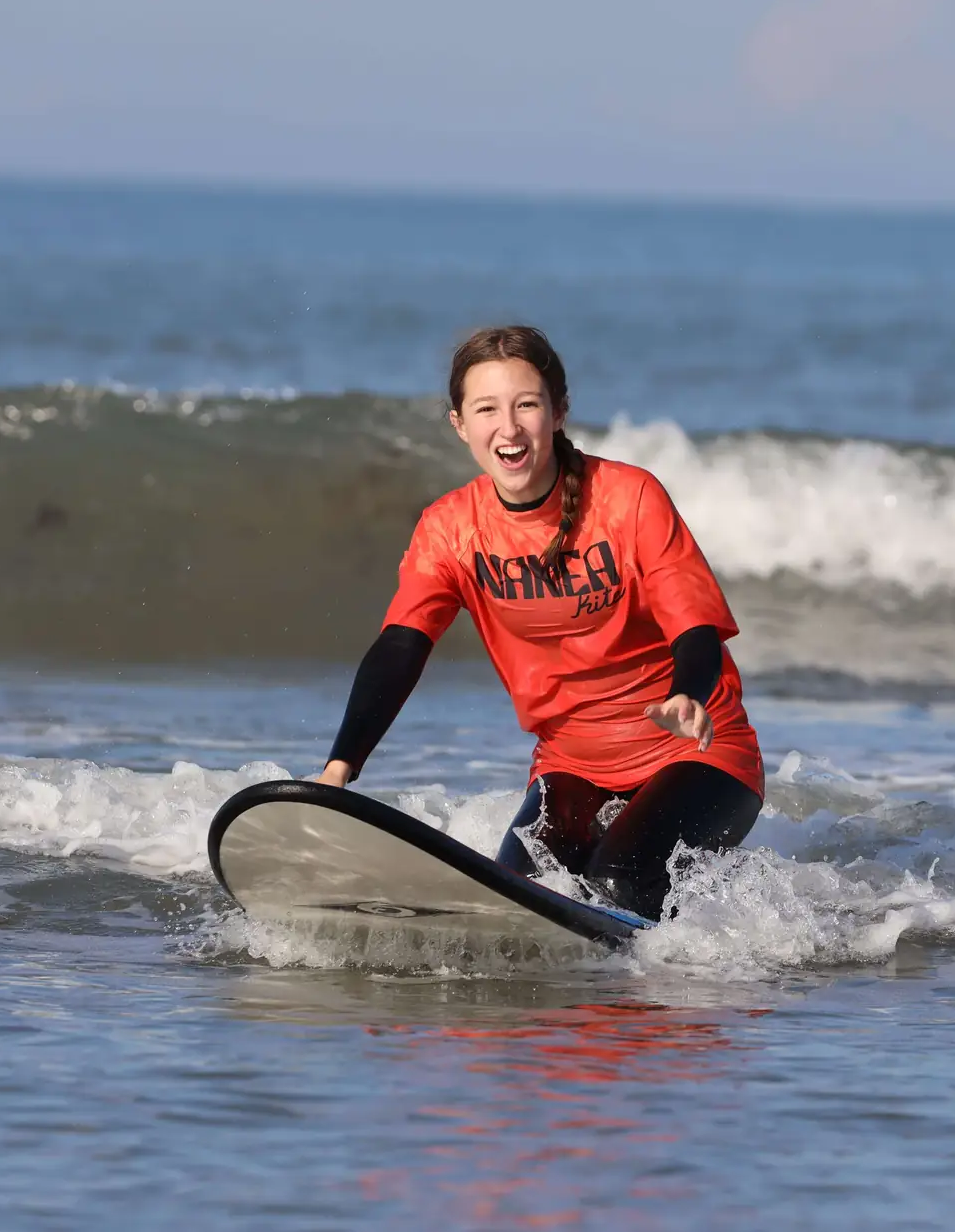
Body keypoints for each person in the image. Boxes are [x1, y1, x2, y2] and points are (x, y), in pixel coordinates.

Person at [313, 325, 764, 918]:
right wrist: (339, 769)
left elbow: (694, 625)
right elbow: (401, 646)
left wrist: (688, 692)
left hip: (699, 755)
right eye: (487, 409)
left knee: (618, 888)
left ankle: (665, 997)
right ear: (459, 424)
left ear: (558, 412)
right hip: (573, 766)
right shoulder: (451, 529)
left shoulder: (629, 498)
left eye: (527, 404)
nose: (509, 427)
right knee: (518, 905)